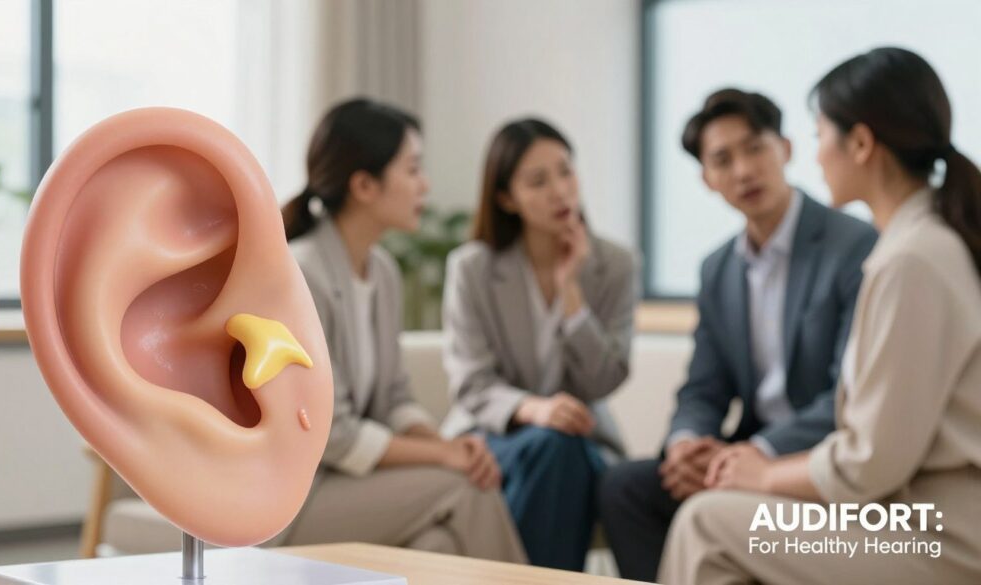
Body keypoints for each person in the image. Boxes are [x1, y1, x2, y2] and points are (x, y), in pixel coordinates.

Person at [660, 47, 981, 585]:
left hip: (931, 528)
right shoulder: (915, 246)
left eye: (818, 136)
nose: (816, 154)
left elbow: (871, 460)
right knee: (702, 511)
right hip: (903, 509)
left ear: (859, 144)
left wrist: (762, 474)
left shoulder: (910, 261)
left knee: (706, 524)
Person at [599, 88, 877, 581]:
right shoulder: (717, 269)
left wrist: (757, 454)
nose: (744, 171)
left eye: (754, 148)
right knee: (626, 489)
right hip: (743, 451)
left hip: (819, 456)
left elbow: (848, 393)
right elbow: (704, 386)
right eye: (722, 160)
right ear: (707, 178)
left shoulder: (853, 245)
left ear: (786, 149)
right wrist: (687, 443)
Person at [280, 98, 525, 563]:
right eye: (413, 170)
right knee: (464, 489)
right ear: (364, 185)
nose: (424, 185)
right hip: (293, 500)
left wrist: (446, 444)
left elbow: (393, 396)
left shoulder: (384, 273)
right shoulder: (304, 273)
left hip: (347, 483)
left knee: (438, 548)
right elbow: (328, 435)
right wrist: (440, 459)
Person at [440, 118, 636, 570]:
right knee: (552, 448)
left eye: (566, 172)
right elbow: (471, 382)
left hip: (581, 440)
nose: (561, 191)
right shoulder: (473, 268)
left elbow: (606, 377)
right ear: (506, 198)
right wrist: (534, 409)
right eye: (538, 181)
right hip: (495, 437)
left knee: (561, 450)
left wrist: (572, 296)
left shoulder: (615, 265)